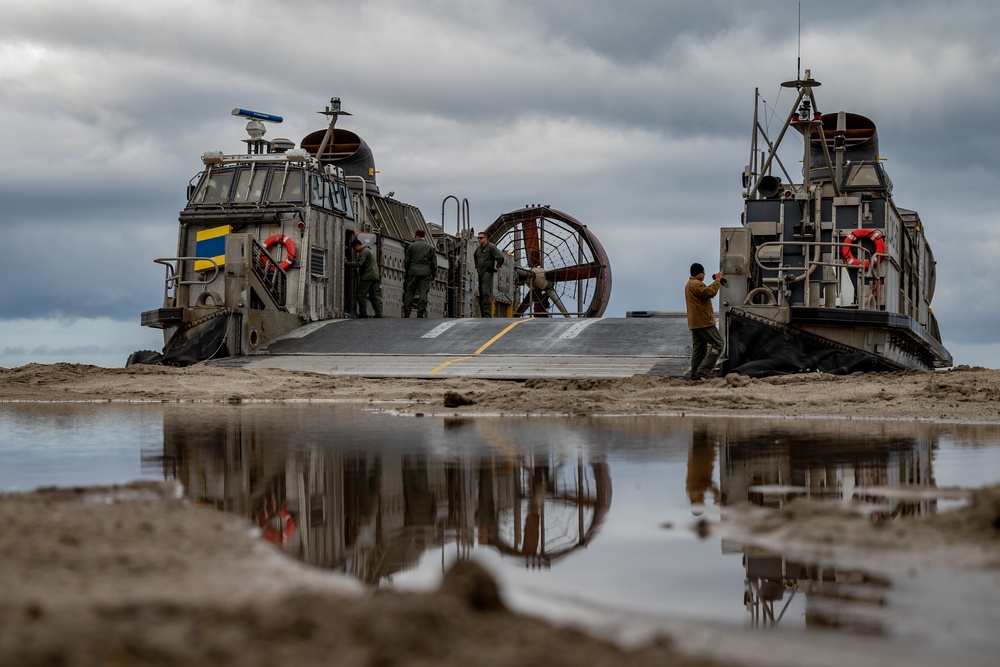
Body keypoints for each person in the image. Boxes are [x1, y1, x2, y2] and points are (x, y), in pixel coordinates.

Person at [685, 262, 724, 380]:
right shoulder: (695, 284)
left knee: (699, 349)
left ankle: (695, 373)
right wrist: (717, 280)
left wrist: (715, 282)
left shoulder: (690, 284)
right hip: (704, 322)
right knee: (718, 344)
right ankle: (705, 369)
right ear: (699, 273)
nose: (705, 275)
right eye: (703, 272)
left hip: (695, 323)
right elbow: (710, 292)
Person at [403, 229, 437, 318]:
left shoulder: (411, 247)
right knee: (423, 293)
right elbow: (434, 263)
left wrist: (407, 271)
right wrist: (434, 275)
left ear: (417, 236)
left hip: (412, 272)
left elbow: (407, 261)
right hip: (425, 273)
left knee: (410, 292)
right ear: (424, 236)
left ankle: (407, 313)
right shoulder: (430, 247)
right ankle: (420, 313)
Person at [346, 238, 383, 318]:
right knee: (374, 296)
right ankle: (379, 313)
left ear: (357, 245)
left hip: (368, 276)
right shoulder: (369, 250)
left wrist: (347, 263)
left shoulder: (364, 252)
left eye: (354, 248)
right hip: (375, 276)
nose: (355, 251)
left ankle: (363, 313)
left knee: (360, 294)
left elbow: (359, 263)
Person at [473, 231, 505, 317]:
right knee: (482, 293)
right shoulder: (479, 249)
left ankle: (487, 315)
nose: (479, 240)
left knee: (486, 293)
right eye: (478, 238)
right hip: (480, 273)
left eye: (481, 238)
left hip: (487, 272)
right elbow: (475, 256)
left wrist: (498, 266)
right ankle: (483, 314)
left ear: (486, 238)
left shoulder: (491, 247)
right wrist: (477, 267)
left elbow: (500, 257)